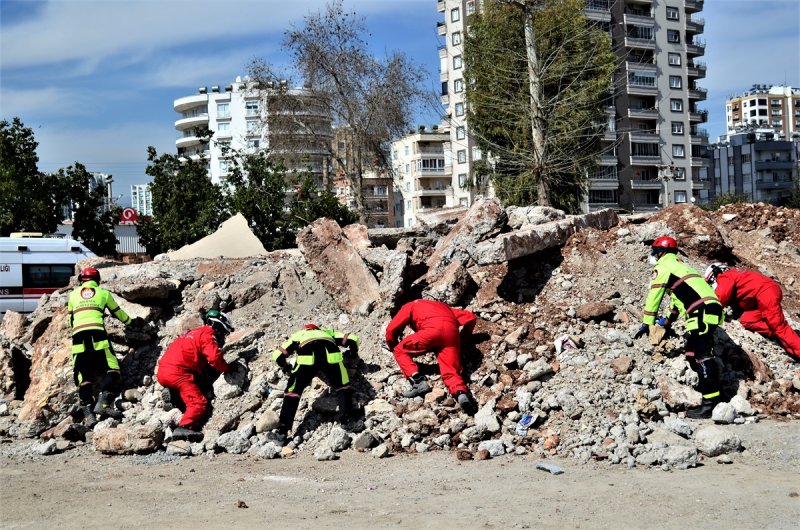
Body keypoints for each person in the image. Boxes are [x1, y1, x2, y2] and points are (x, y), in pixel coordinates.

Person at [634, 236, 724, 419]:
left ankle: (710, 404)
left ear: (661, 252)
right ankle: (706, 392)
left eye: (654, 251)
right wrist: (667, 321)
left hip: (701, 311)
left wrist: (647, 322)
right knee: (691, 352)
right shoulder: (681, 266)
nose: (652, 255)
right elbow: (677, 301)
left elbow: (655, 294)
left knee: (702, 357)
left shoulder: (663, 266)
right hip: (709, 308)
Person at [385, 299, 478, 415]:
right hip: (451, 335)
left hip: (431, 332)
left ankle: (418, 382)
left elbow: (390, 330)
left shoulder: (410, 305)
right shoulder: (443, 306)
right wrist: (462, 340)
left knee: (399, 350)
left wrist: (392, 345)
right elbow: (471, 317)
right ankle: (461, 393)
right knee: (451, 372)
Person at [157, 309, 237, 442]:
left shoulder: (192, 332)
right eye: (224, 333)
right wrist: (228, 368)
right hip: (179, 373)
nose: (223, 337)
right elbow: (214, 358)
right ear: (219, 327)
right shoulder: (209, 334)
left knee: (195, 384)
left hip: (163, 371)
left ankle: (175, 397)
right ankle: (185, 427)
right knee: (199, 402)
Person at [67, 267, 134, 427]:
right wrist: (131, 322)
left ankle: (89, 415)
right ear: (98, 280)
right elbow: (118, 313)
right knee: (113, 369)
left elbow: (71, 321)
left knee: (84, 378)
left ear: (81, 280)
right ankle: (103, 405)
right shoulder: (103, 293)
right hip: (97, 335)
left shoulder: (73, 295)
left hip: (78, 338)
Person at [271, 324, 360, 440]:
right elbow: (353, 339)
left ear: (306, 329)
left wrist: (286, 367)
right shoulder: (327, 333)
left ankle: (282, 431)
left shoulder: (299, 334)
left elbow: (277, 355)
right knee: (343, 386)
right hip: (332, 358)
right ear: (317, 329)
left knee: (292, 392)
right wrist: (353, 354)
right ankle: (347, 422)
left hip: (306, 361)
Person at [704, 263, 800, 362]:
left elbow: (722, 295)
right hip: (761, 296)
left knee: (779, 326)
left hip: (765, 292)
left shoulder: (725, 276)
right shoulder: (735, 275)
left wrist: (711, 308)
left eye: (710, 282)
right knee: (748, 320)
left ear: (714, 275)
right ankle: (783, 339)